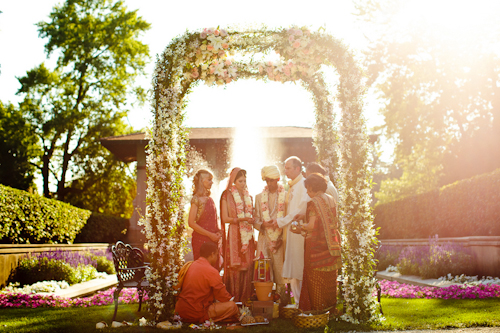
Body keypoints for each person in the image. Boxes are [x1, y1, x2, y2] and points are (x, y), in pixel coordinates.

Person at [291, 173, 341, 312]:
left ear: (313, 187)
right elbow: (325, 219)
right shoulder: (330, 199)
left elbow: (312, 225)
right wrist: (304, 216)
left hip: (316, 248)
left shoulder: (314, 202)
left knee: (315, 278)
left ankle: (317, 310)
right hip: (331, 245)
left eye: (308, 188)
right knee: (329, 278)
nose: (307, 192)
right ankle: (330, 309)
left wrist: (300, 227)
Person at [273, 156, 310, 305]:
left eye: (288, 168)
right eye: (285, 167)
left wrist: (281, 222)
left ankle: (302, 302)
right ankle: (298, 302)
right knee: (294, 266)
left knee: (298, 266)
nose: (285, 171)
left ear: (298, 169)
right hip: (291, 230)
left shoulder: (303, 184)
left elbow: (300, 209)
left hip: (298, 231)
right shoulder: (293, 185)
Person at [175, 242, 239, 323]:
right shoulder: (211, 271)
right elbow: (222, 296)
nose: (217, 258)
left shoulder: (190, 265)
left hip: (179, 311)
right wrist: (232, 301)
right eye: (216, 255)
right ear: (212, 254)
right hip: (196, 312)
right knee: (232, 306)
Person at [220, 167, 256, 302]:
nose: (243, 184)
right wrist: (241, 219)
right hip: (235, 234)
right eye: (240, 181)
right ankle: (233, 300)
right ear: (233, 181)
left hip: (247, 234)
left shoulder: (249, 196)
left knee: (248, 266)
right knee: (235, 268)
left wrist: (251, 219)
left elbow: (252, 215)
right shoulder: (226, 195)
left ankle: (246, 300)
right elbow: (225, 219)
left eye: (244, 181)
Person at [254, 165, 286, 298]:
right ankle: (264, 297)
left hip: (279, 238)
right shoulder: (259, 197)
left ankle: (281, 299)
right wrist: (262, 224)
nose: (269, 183)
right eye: (267, 180)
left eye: (272, 180)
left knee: (279, 268)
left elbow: (287, 218)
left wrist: (281, 237)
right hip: (264, 236)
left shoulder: (286, 196)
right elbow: (255, 217)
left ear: (278, 179)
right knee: (263, 264)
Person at [188, 169, 222, 265]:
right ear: (202, 181)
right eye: (209, 180)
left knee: (214, 268)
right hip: (201, 240)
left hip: (213, 239)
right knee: (202, 268)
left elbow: (216, 219)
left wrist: (219, 232)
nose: (212, 182)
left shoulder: (210, 199)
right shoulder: (196, 200)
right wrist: (210, 235)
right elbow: (191, 223)